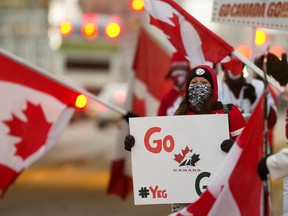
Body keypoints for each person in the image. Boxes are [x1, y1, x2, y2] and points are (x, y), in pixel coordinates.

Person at [125, 65, 247, 213]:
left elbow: (248, 148)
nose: (198, 86)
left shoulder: (230, 113)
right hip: (184, 198)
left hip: (219, 196)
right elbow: (163, 152)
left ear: (213, 86)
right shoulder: (180, 116)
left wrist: (234, 148)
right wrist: (137, 144)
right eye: (194, 83)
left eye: (204, 82)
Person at [218, 57, 277, 127]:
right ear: (224, 70)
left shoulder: (257, 86)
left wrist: (255, 102)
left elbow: (272, 120)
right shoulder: (219, 89)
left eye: (237, 67)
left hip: (253, 134)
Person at [157, 51, 190, 116]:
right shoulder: (167, 98)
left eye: (182, 68)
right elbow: (160, 118)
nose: (178, 72)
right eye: (175, 69)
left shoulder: (192, 94)